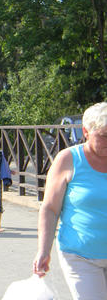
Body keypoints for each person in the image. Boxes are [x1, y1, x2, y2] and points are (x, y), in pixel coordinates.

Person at [33, 102, 107, 299]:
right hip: (81, 254)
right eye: (104, 136)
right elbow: (50, 208)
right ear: (86, 131)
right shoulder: (68, 160)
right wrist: (43, 250)